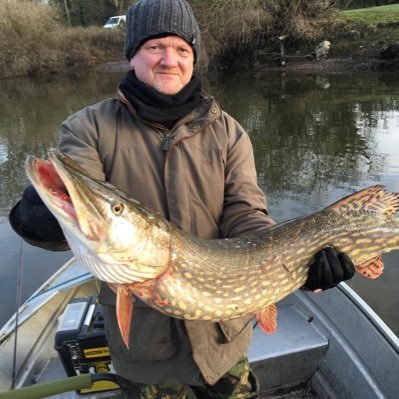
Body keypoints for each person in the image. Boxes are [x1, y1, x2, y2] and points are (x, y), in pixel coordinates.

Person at [9, 0, 355, 397]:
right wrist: (37, 220)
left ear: (193, 58)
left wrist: (297, 263)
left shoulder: (229, 132)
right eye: (154, 47)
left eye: (182, 49)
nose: (168, 60)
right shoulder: (88, 128)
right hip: (144, 354)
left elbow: (245, 214)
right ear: (133, 56)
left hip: (223, 345)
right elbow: (80, 218)